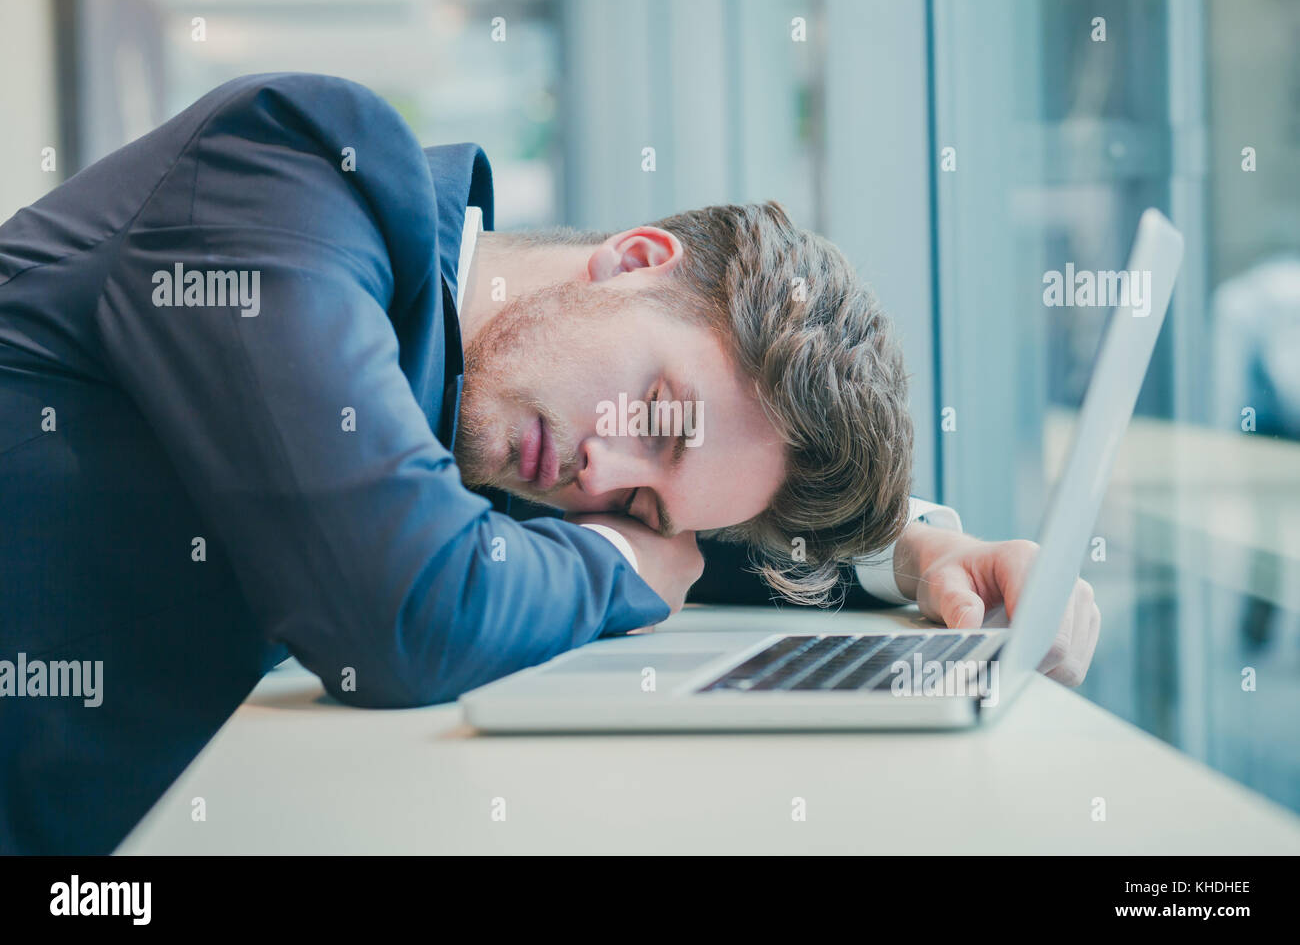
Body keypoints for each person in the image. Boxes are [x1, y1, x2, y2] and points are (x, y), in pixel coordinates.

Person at [0, 73, 1099, 853]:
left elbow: (683, 541)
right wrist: (617, 560)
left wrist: (921, 551)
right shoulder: (300, 168)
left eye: (639, 502)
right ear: (633, 260)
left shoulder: (508, 411)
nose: (595, 472)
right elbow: (402, 611)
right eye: (656, 414)